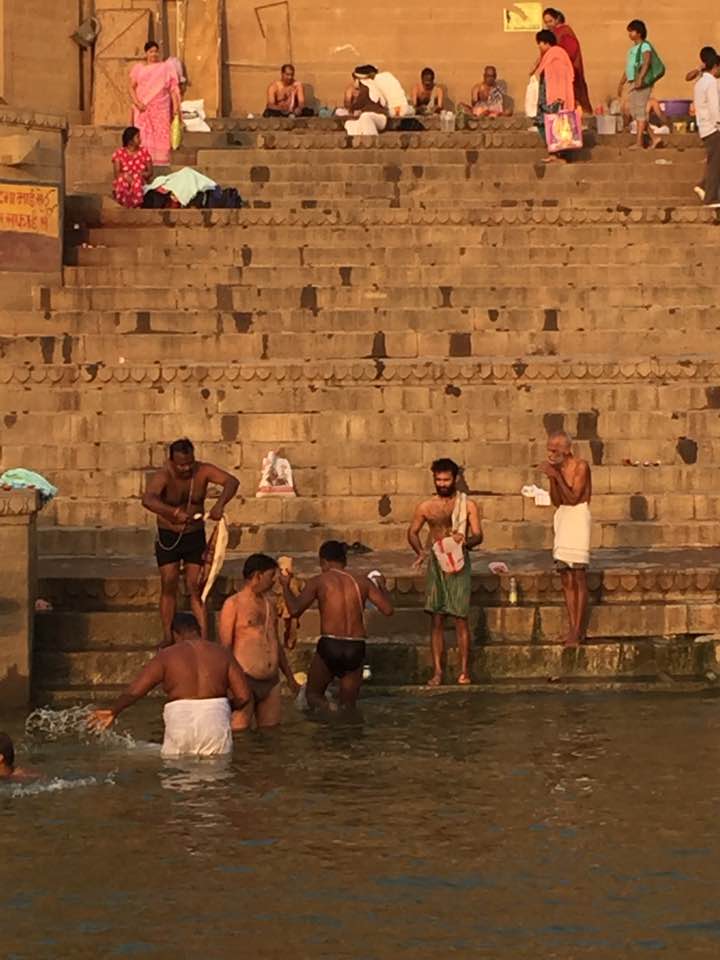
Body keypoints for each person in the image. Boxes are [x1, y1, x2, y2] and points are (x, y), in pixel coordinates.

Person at [90, 613, 250, 757]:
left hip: (180, 721)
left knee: (177, 779)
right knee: (218, 779)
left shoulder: (166, 656)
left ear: (175, 634)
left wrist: (114, 710)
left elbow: (136, 691)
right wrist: (224, 707)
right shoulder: (222, 653)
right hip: (215, 720)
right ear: (199, 630)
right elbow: (244, 696)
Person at [142, 437, 239, 647]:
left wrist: (220, 505)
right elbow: (148, 499)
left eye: (189, 463)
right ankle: (168, 635)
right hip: (169, 537)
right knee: (169, 583)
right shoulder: (163, 475)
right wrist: (172, 512)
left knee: (196, 587)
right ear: (171, 461)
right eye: (181, 465)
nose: (186, 468)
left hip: (194, 536)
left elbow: (232, 481)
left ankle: (203, 639)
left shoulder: (202, 471)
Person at [279, 540, 393, 710]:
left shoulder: (319, 581)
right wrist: (382, 584)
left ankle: (330, 710)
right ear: (344, 561)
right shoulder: (363, 582)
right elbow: (388, 609)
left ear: (323, 561)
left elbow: (295, 610)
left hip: (331, 644)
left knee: (313, 695)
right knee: (348, 706)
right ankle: (346, 728)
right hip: (356, 645)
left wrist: (285, 586)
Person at [407, 459, 483, 686]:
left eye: (446, 479)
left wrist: (464, 542)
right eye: (438, 480)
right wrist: (420, 551)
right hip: (437, 563)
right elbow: (412, 532)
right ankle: (438, 672)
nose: (442, 484)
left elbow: (479, 535)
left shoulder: (467, 505)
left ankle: (463, 672)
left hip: (460, 563)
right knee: (437, 619)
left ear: (455, 479)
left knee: (461, 618)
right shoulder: (426, 507)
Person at [218, 553, 300, 730]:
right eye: (271, 576)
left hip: (271, 682)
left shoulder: (269, 604)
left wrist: (290, 678)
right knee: (240, 734)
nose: (273, 581)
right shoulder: (233, 604)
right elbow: (225, 647)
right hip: (244, 680)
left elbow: (275, 642)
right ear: (257, 576)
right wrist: (229, 683)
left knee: (271, 736)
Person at [540, 432, 592, 648]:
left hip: (578, 516)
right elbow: (557, 500)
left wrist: (556, 476)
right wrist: (553, 477)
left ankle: (577, 630)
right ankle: (573, 628)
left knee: (578, 575)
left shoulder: (581, 466)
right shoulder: (557, 470)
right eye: (549, 450)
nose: (551, 454)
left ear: (567, 450)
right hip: (562, 518)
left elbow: (573, 497)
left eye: (555, 450)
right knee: (565, 577)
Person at [129, 41, 181, 166]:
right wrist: (137, 103)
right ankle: (143, 160)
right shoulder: (139, 69)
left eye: (156, 51)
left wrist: (175, 107)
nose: (154, 54)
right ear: (146, 53)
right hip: (143, 108)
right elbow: (131, 88)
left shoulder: (166, 68)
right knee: (142, 134)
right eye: (151, 51)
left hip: (161, 108)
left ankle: (161, 161)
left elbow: (173, 89)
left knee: (161, 134)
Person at [618, 20, 663, 150]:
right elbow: (629, 68)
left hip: (641, 84)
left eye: (631, 31)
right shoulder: (632, 50)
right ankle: (654, 138)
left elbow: (647, 62)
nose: (629, 34)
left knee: (640, 112)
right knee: (635, 112)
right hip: (633, 83)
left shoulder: (645, 46)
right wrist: (621, 83)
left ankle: (639, 143)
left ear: (639, 33)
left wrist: (640, 78)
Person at [534, 29, 577, 164]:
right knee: (545, 124)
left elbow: (561, 77)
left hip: (555, 98)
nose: (539, 46)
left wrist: (559, 97)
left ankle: (561, 156)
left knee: (557, 125)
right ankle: (553, 153)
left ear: (546, 42)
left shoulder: (557, 54)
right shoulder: (549, 56)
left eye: (540, 43)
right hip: (546, 97)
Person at [542, 8, 592, 114]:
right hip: (554, 75)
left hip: (567, 73)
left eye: (550, 21)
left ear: (557, 19)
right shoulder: (553, 33)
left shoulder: (565, 31)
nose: (548, 25)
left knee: (571, 98)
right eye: (546, 22)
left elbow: (571, 52)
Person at [692, 47, 720, 206]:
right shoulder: (710, 82)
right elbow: (714, 107)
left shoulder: (700, 82)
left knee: (714, 161)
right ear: (716, 66)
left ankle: (703, 185)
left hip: (704, 127)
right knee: (715, 163)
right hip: (713, 127)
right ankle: (711, 197)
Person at [111, 126, 153, 209]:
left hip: (140, 180)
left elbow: (150, 172)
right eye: (137, 137)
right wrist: (127, 177)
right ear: (130, 141)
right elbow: (117, 174)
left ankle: (136, 205)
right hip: (125, 180)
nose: (140, 139)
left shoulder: (144, 152)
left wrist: (139, 175)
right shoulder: (119, 154)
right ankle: (124, 206)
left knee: (136, 180)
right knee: (121, 181)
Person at [344, 65, 389, 136]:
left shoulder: (365, 89)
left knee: (365, 117)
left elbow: (356, 106)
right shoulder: (366, 88)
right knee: (349, 124)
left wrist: (349, 97)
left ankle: (373, 140)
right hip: (368, 118)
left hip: (379, 118)